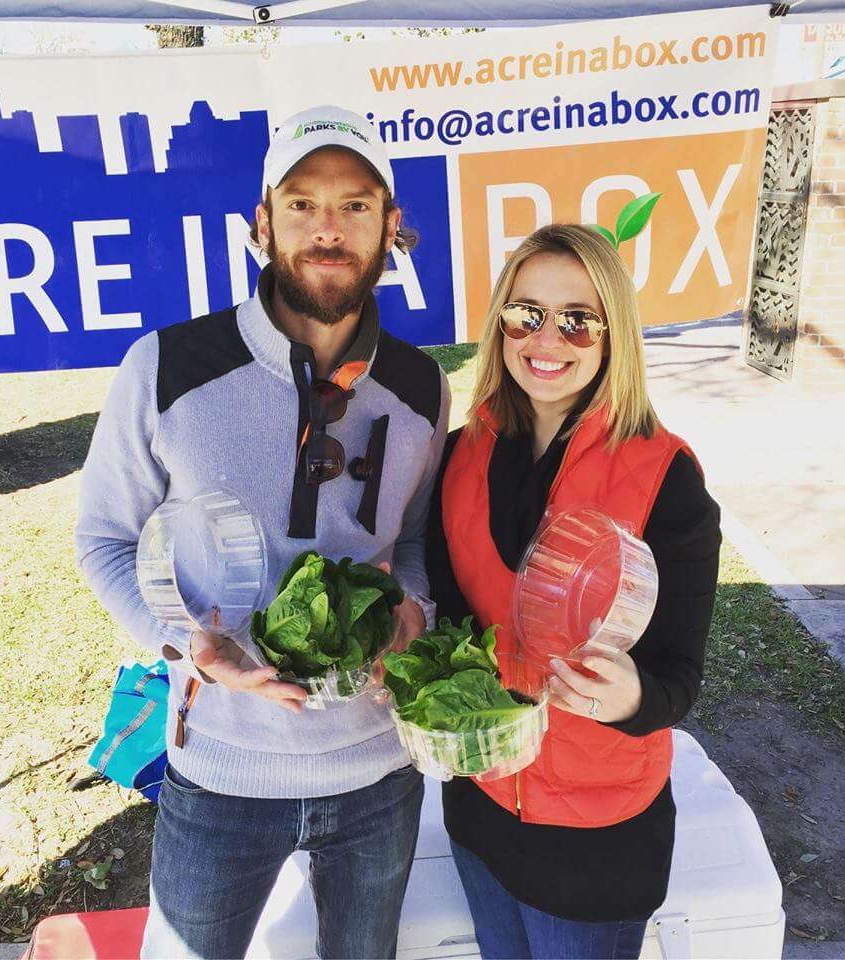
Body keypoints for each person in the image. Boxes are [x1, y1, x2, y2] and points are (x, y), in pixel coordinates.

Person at [75, 105, 450, 960]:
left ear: (392, 229)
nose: (329, 229)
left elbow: (417, 539)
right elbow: (102, 539)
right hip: (219, 775)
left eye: (356, 206)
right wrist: (183, 643)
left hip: (378, 777)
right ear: (261, 224)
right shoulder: (167, 369)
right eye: (302, 203)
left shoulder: (421, 388)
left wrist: (415, 608)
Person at [425, 223, 721, 960]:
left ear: (612, 332)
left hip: (598, 840)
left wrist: (630, 699)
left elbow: (679, 679)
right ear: (499, 325)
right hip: (479, 808)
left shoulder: (666, 477)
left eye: (577, 320)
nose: (546, 339)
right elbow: (450, 619)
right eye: (525, 313)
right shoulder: (460, 453)